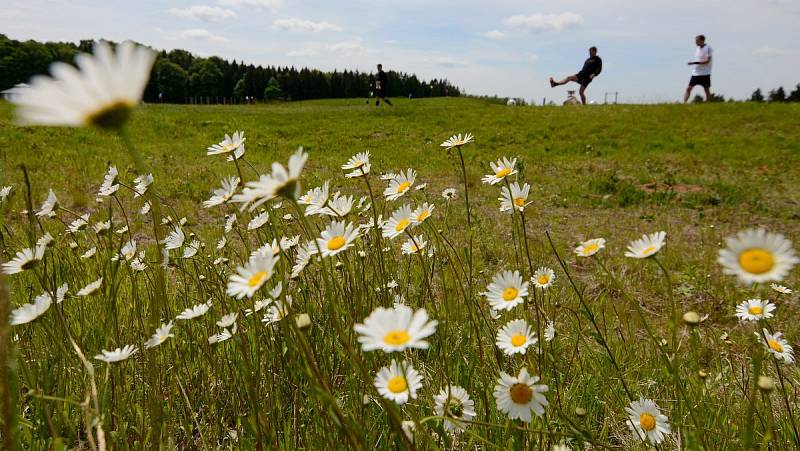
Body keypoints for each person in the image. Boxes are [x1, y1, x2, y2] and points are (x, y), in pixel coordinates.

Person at [684, 34, 712, 103]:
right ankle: (684, 103)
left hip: (705, 73)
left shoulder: (708, 48)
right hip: (696, 73)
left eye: (697, 40)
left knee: (706, 89)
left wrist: (694, 63)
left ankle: (708, 103)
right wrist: (694, 63)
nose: (696, 42)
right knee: (688, 88)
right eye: (696, 40)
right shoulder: (697, 49)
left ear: (702, 40)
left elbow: (707, 61)